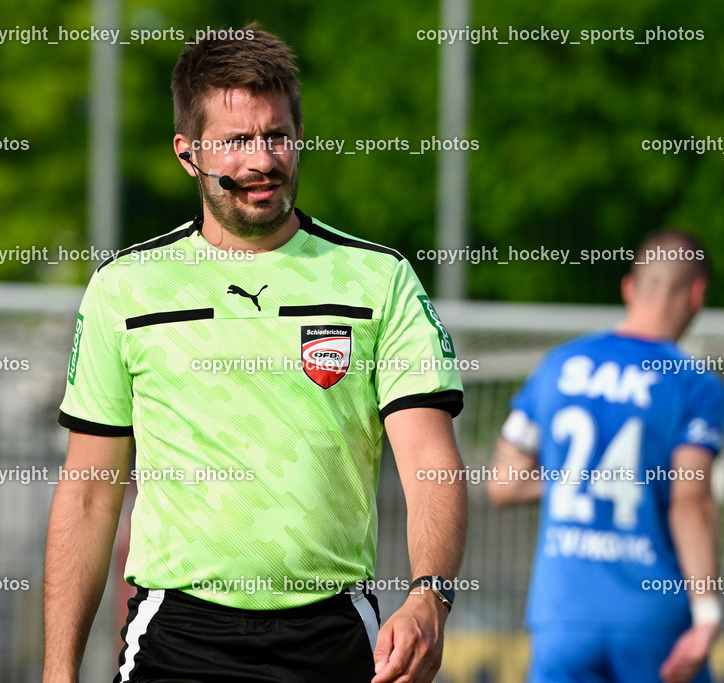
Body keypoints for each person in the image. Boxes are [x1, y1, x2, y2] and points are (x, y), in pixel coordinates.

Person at [44, 24, 468, 683]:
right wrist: (58, 670)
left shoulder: (377, 279)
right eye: (237, 140)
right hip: (177, 636)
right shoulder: (125, 289)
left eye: (277, 136)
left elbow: (430, 462)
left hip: (334, 633)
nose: (263, 159)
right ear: (188, 154)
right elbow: (89, 495)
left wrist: (429, 594)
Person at [487, 231, 724, 683]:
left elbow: (504, 483)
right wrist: (708, 612)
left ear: (629, 287)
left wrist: (579, 478)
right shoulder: (694, 384)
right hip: (652, 619)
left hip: (562, 618)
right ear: (697, 295)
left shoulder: (557, 366)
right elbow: (691, 502)